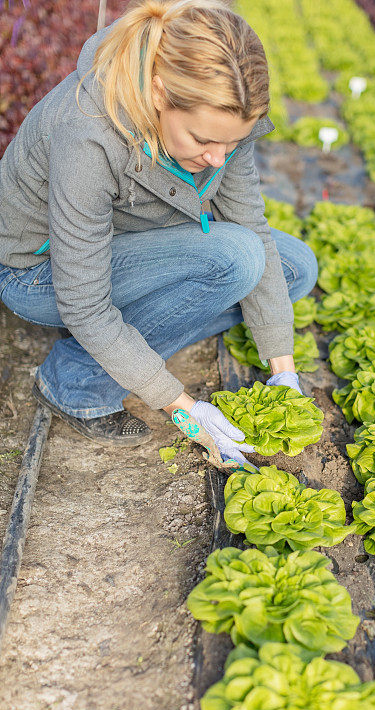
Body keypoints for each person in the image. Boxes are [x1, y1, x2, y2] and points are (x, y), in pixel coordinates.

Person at [0, 0, 317, 468]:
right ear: (159, 92)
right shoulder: (87, 131)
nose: (218, 158)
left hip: (125, 246)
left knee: (294, 271)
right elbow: (83, 303)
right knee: (236, 259)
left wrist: (282, 368)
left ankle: (123, 342)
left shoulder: (220, 124)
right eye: (203, 141)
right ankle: (77, 381)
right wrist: (182, 408)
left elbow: (251, 222)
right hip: (39, 273)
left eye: (232, 142)